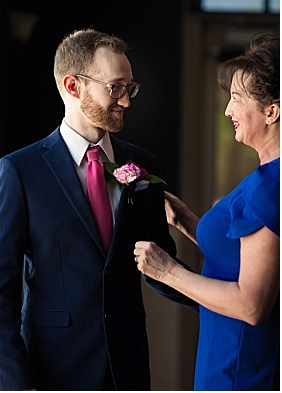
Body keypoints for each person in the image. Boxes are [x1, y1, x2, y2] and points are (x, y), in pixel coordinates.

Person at [0, 28, 196, 391]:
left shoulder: (143, 164)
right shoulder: (20, 170)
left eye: (130, 88)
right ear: (73, 86)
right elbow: (4, 289)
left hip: (127, 366)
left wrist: (223, 303)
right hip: (53, 367)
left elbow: (159, 266)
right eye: (116, 87)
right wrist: (13, 382)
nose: (126, 101)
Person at [134, 34, 280, 390]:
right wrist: (187, 222)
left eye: (237, 98)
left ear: (272, 110)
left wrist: (167, 271)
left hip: (238, 367)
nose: (228, 110)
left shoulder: (268, 185)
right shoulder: (269, 177)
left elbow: (250, 305)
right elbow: (242, 257)